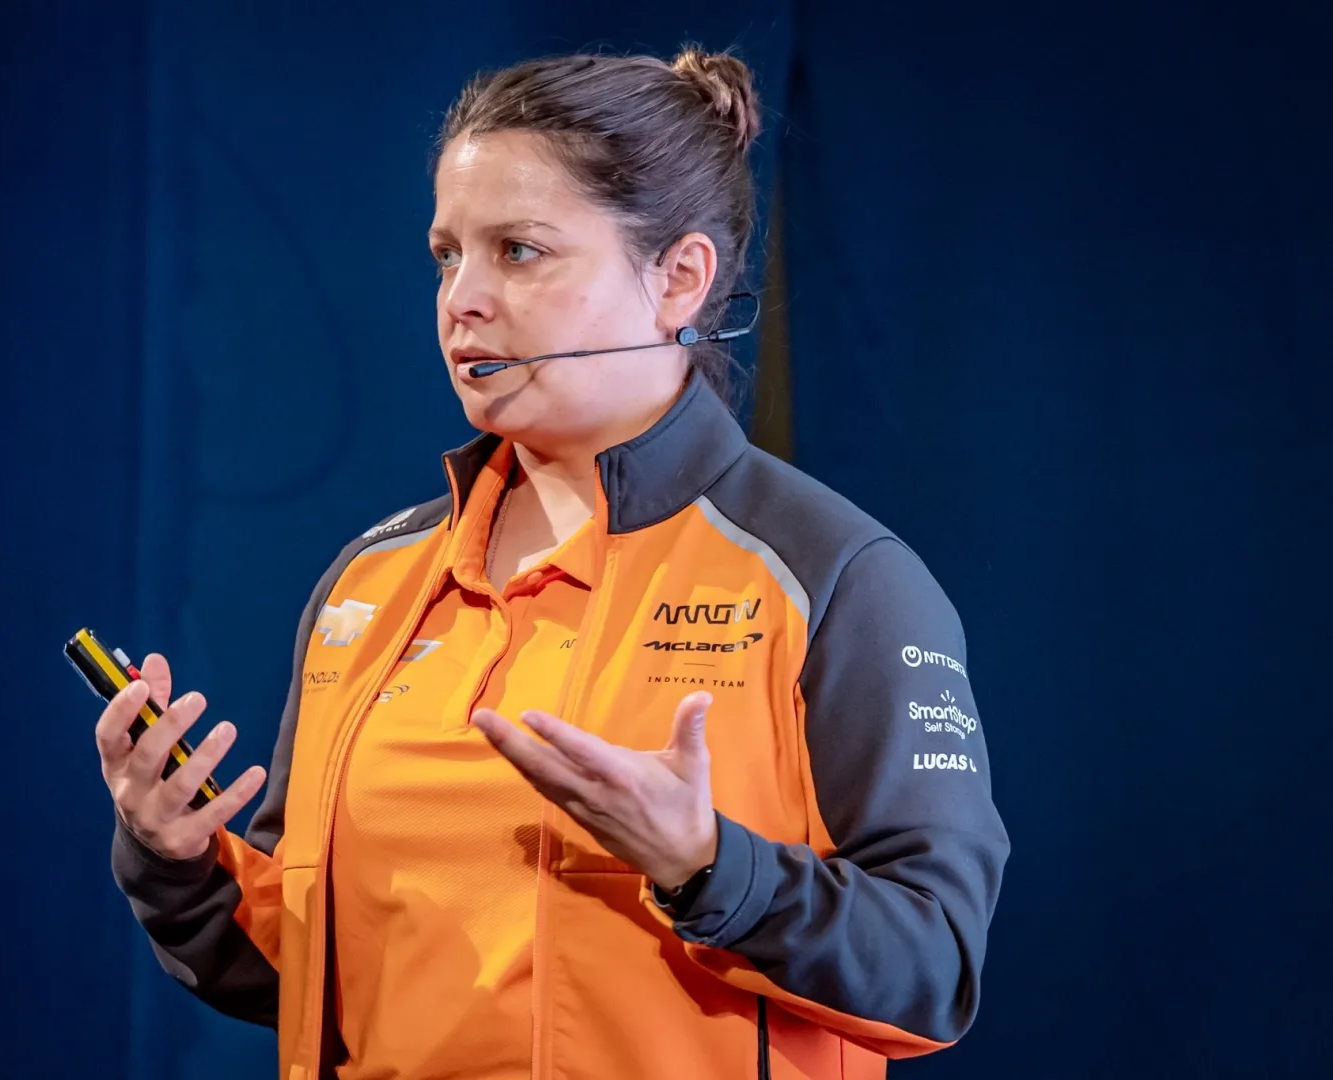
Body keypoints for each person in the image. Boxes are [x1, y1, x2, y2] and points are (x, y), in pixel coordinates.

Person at [98, 47, 1009, 1080]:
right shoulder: (370, 584)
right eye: (447, 255)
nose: (461, 299)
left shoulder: (833, 578)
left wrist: (706, 866)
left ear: (680, 278)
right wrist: (174, 859)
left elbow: (934, 969)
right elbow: (295, 972)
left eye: (519, 251)